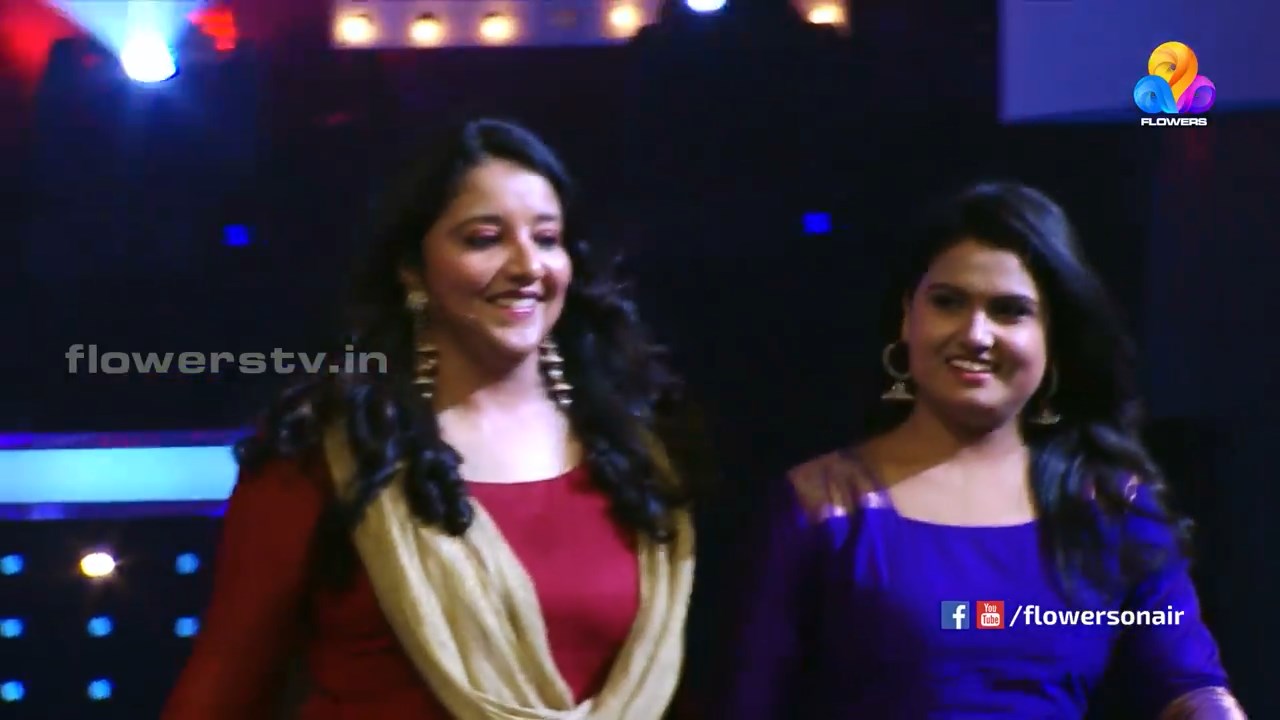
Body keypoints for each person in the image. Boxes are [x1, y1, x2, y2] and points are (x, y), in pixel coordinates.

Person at [161, 119, 708, 720]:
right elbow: (220, 692)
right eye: (485, 239)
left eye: (547, 238)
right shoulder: (327, 455)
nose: (528, 265)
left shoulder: (636, 454)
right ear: (412, 269)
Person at [718, 182, 1246, 718]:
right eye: (948, 302)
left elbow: (1186, 682)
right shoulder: (823, 506)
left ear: (1052, 338)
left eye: (1009, 311)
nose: (975, 334)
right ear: (907, 316)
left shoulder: (1108, 507)